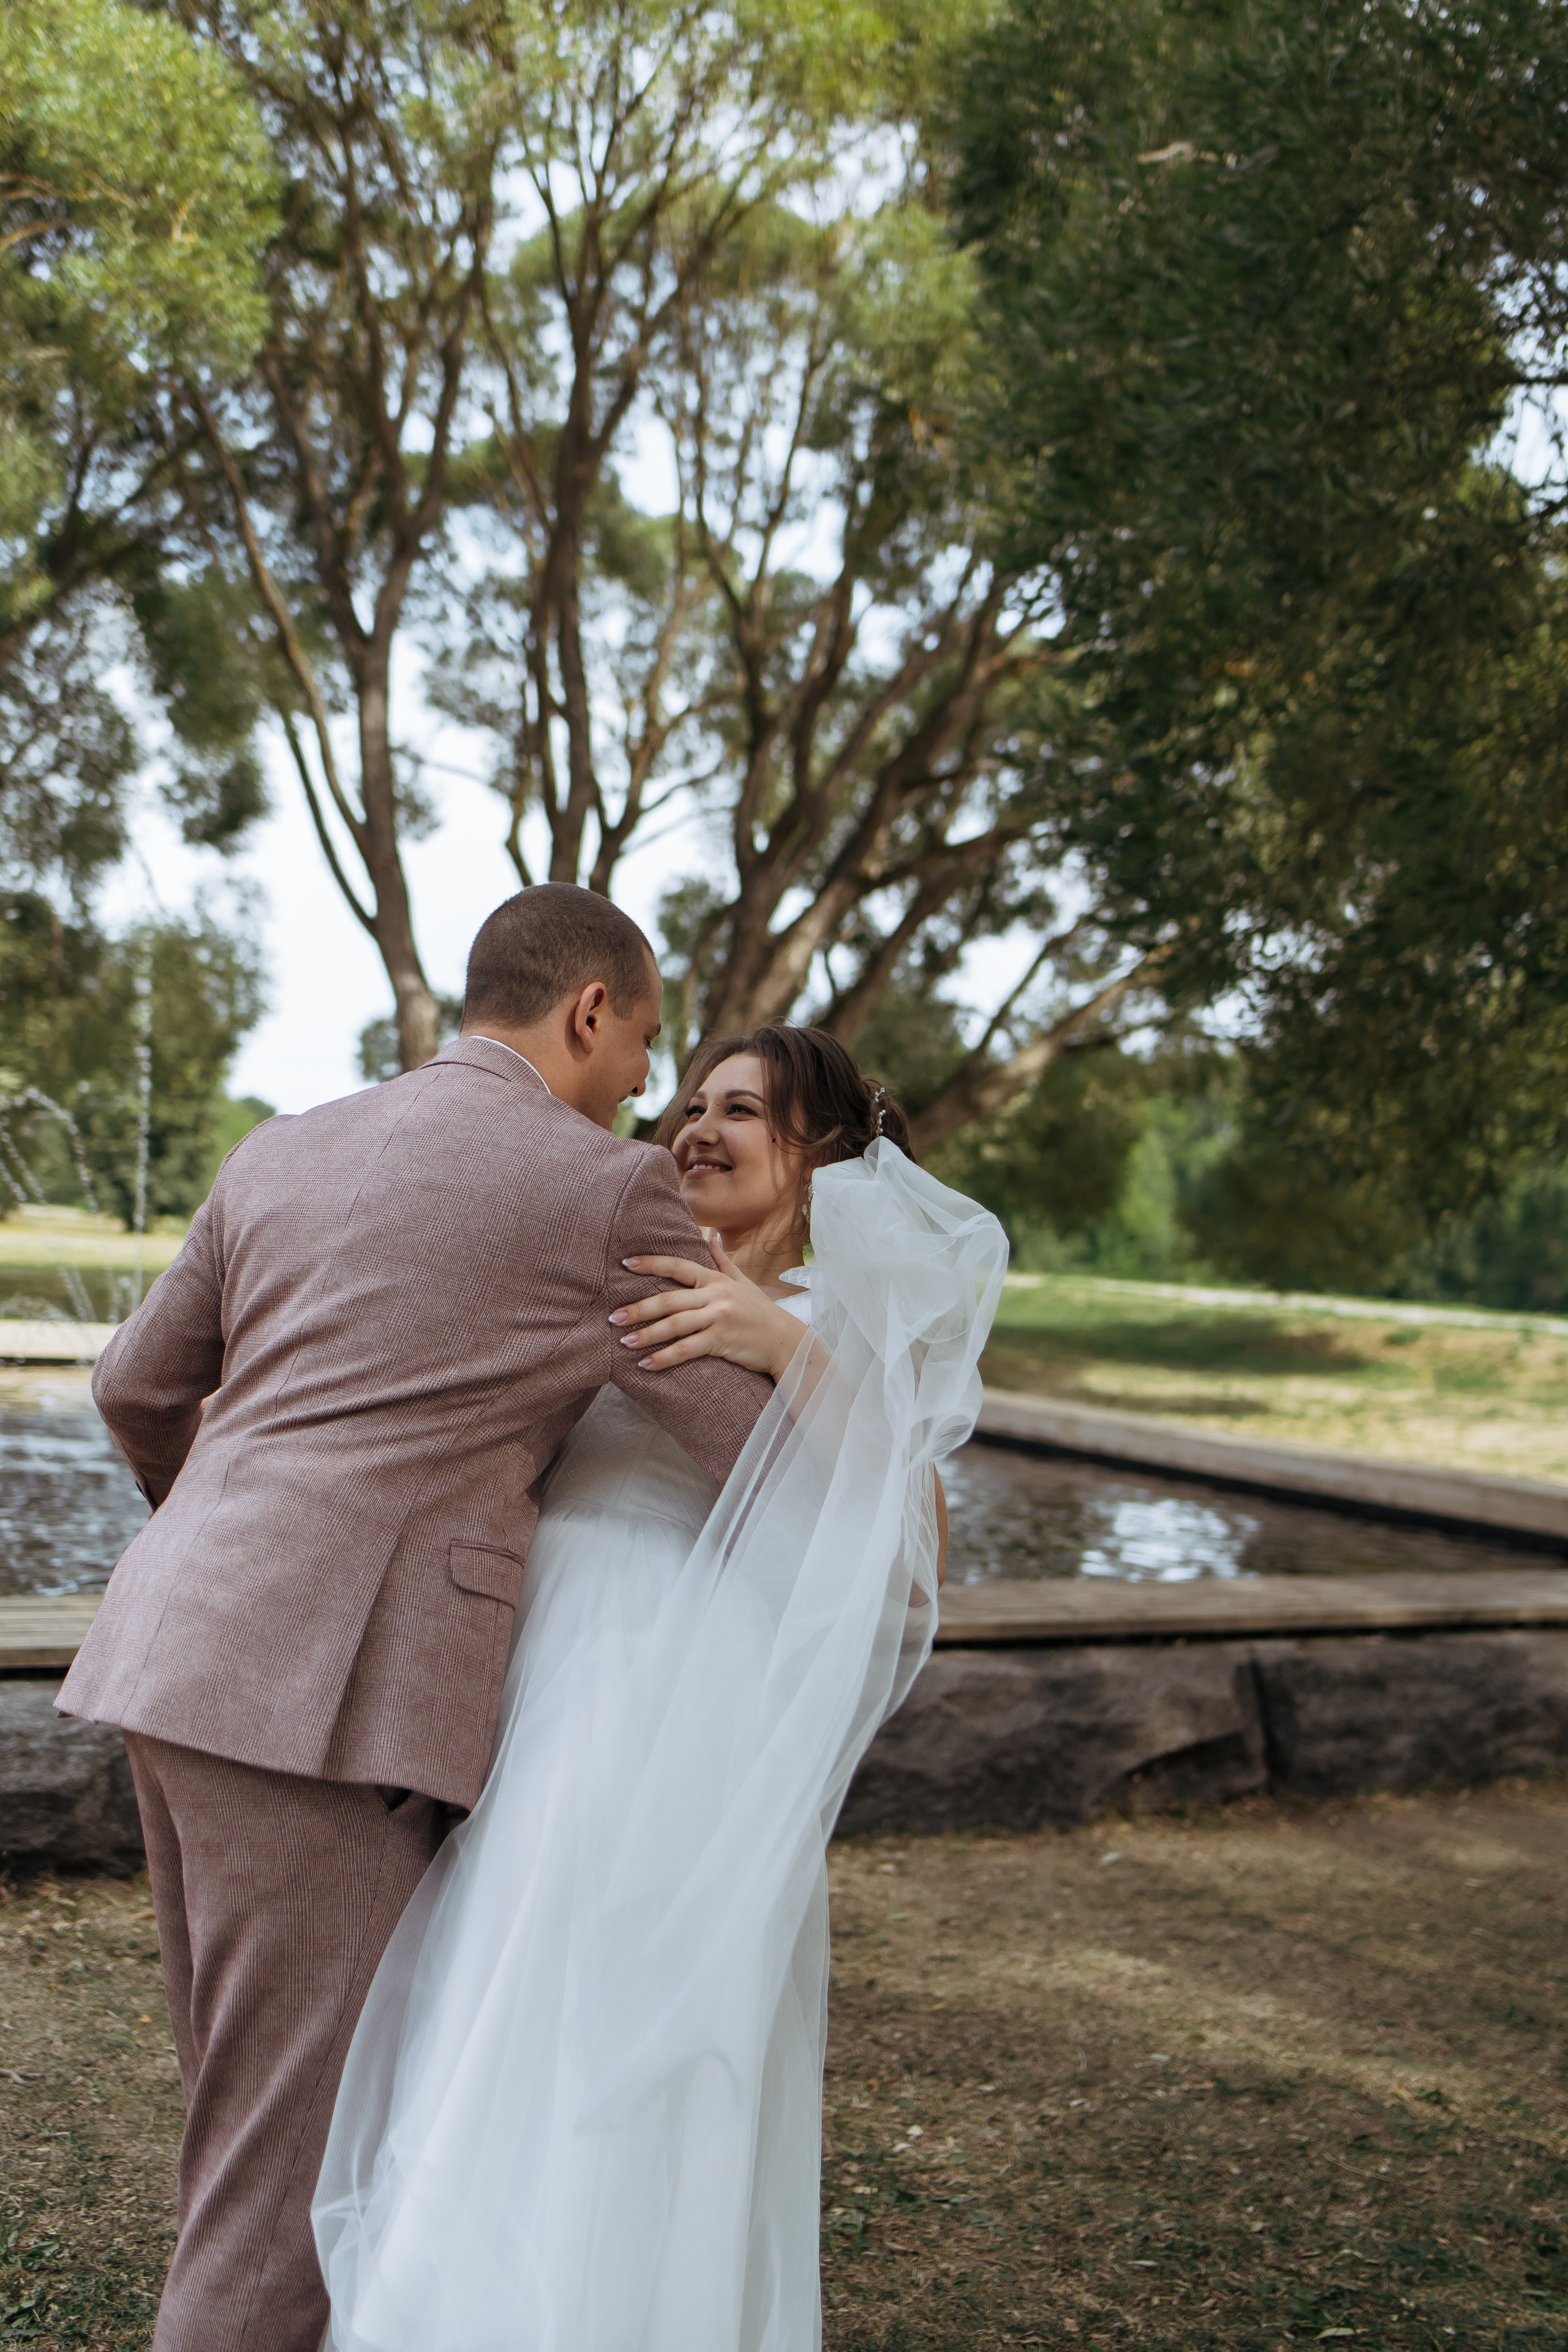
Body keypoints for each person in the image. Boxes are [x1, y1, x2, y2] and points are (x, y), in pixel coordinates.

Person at [55, 888, 777, 2352]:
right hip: (325, 1711)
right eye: (642, 1044)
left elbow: (136, 1388)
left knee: (240, 2117)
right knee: (283, 2178)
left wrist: (224, 1546)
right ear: (589, 1011)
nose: (645, 1089)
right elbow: (746, 1453)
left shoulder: (284, 1146)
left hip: (168, 1661)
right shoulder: (601, 1190)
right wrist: (828, 1391)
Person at [312, 1024, 1008, 2352]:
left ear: (818, 1156)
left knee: (616, 2021)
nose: (694, 1125)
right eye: (687, 1100)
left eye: (738, 1110)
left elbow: (912, 1555)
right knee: (499, 1996)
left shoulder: (824, 1322)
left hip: (669, 1698)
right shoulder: (617, 1270)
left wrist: (781, 1346)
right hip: (539, 1674)